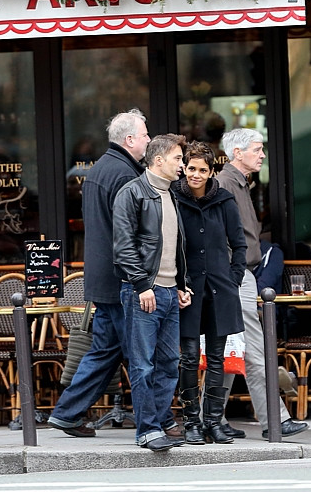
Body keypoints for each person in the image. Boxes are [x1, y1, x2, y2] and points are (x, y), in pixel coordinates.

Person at [47, 109, 152, 437]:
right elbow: (129, 233)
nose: (149, 140)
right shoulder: (124, 174)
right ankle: (155, 422)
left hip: (103, 277)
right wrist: (140, 277)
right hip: (122, 279)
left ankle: (67, 412)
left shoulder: (98, 170)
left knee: (104, 351)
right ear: (130, 140)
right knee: (139, 352)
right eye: (145, 135)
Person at [216, 128, 307, 440]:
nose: (263, 154)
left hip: (238, 275)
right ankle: (275, 420)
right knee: (254, 348)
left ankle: (209, 417)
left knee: (232, 349)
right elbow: (222, 235)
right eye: (257, 149)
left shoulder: (238, 182)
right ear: (238, 153)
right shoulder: (227, 182)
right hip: (235, 275)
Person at [112, 133, 192, 452]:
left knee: (170, 361)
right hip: (144, 291)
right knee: (143, 363)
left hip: (170, 292)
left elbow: (173, 245)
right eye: (177, 159)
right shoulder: (131, 193)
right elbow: (123, 246)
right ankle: (146, 429)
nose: (182, 166)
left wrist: (181, 284)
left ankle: (159, 422)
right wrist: (142, 285)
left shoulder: (170, 194)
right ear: (158, 161)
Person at [172, 141, 246, 444]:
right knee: (189, 358)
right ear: (184, 168)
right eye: (191, 168)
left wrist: (235, 278)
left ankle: (213, 421)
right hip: (187, 289)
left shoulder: (225, 200)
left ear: (212, 170)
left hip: (220, 289)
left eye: (203, 169)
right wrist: (176, 282)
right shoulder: (173, 196)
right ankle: (191, 421)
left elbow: (239, 244)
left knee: (217, 358)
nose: (196, 175)